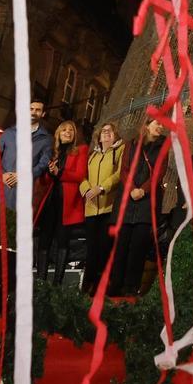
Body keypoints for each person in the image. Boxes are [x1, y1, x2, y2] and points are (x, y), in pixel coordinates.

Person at [109, 118, 167, 296]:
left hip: (146, 203)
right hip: (127, 201)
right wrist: (132, 189)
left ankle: (131, 287)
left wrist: (143, 190)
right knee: (121, 245)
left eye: (162, 124)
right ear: (147, 126)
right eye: (156, 123)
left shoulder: (163, 147)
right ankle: (115, 284)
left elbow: (159, 172)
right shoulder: (131, 144)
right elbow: (124, 169)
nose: (160, 126)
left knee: (138, 247)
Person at [36, 120, 88, 285]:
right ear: (58, 133)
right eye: (64, 130)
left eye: (71, 130)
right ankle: (41, 282)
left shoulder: (81, 150)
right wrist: (50, 173)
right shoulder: (52, 152)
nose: (67, 132)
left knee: (62, 241)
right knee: (44, 240)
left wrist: (60, 172)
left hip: (68, 202)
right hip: (50, 201)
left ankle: (57, 283)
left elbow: (79, 175)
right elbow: (44, 179)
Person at [0, 99, 53, 211]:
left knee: (10, 226)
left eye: (38, 110)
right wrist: (2, 175)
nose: (33, 112)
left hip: (19, 194)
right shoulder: (9, 133)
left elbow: (43, 164)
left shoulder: (46, 140)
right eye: (31, 109)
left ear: (43, 114)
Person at [80, 122, 124, 295]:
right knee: (91, 248)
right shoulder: (92, 155)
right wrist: (86, 190)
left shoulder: (120, 150)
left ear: (115, 134)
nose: (106, 133)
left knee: (104, 248)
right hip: (91, 208)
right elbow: (82, 176)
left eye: (110, 131)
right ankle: (87, 284)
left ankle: (99, 286)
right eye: (103, 131)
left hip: (108, 208)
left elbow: (119, 173)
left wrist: (101, 187)